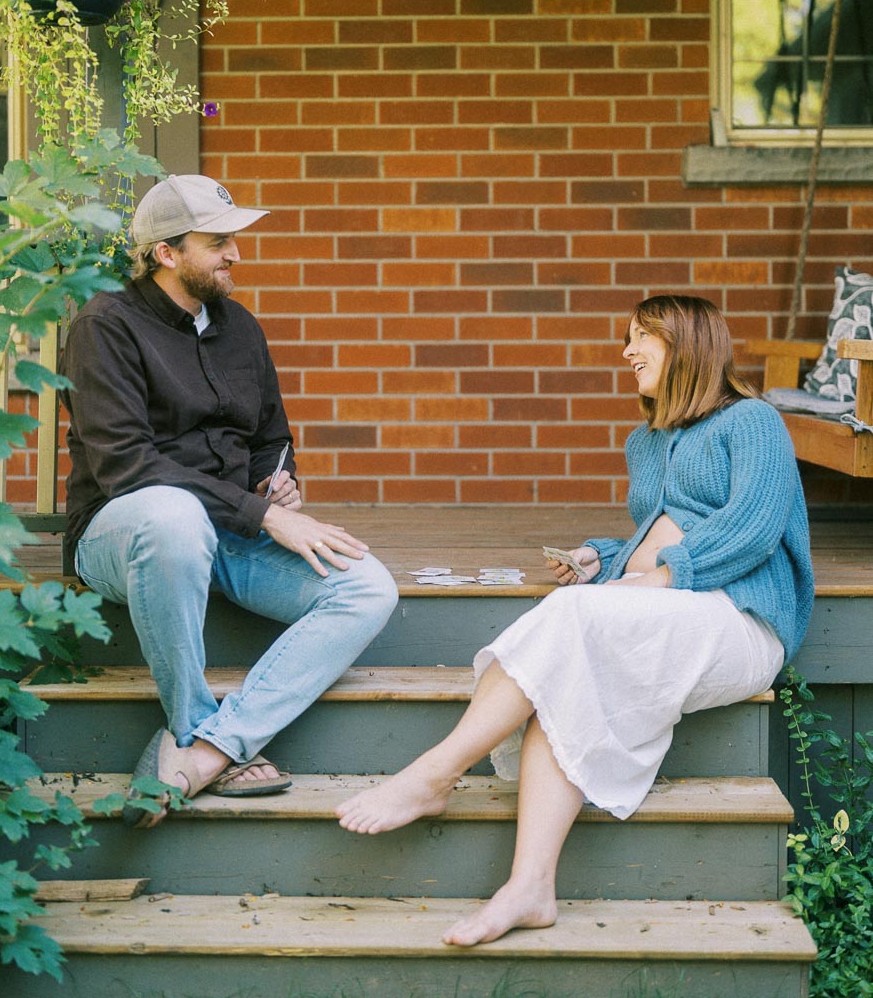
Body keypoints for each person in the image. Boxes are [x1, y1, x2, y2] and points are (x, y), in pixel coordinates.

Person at [336, 294, 814, 947]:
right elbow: (657, 532)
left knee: (565, 624)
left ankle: (434, 774)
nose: (626, 352)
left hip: (742, 619)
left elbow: (748, 530)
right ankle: (530, 887)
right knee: (562, 675)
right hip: (669, 611)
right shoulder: (646, 441)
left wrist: (658, 576)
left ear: (689, 345)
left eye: (641, 337)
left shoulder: (752, 420)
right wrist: (603, 557)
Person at [62, 173, 398, 827]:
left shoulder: (240, 326)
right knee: (172, 513)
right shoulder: (106, 325)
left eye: (234, 240)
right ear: (166, 253)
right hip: (125, 534)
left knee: (368, 587)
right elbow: (128, 465)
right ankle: (189, 719)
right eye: (217, 242)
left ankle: (210, 750)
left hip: (227, 531)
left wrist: (281, 481)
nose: (235, 254)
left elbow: (272, 432)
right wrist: (262, 515)